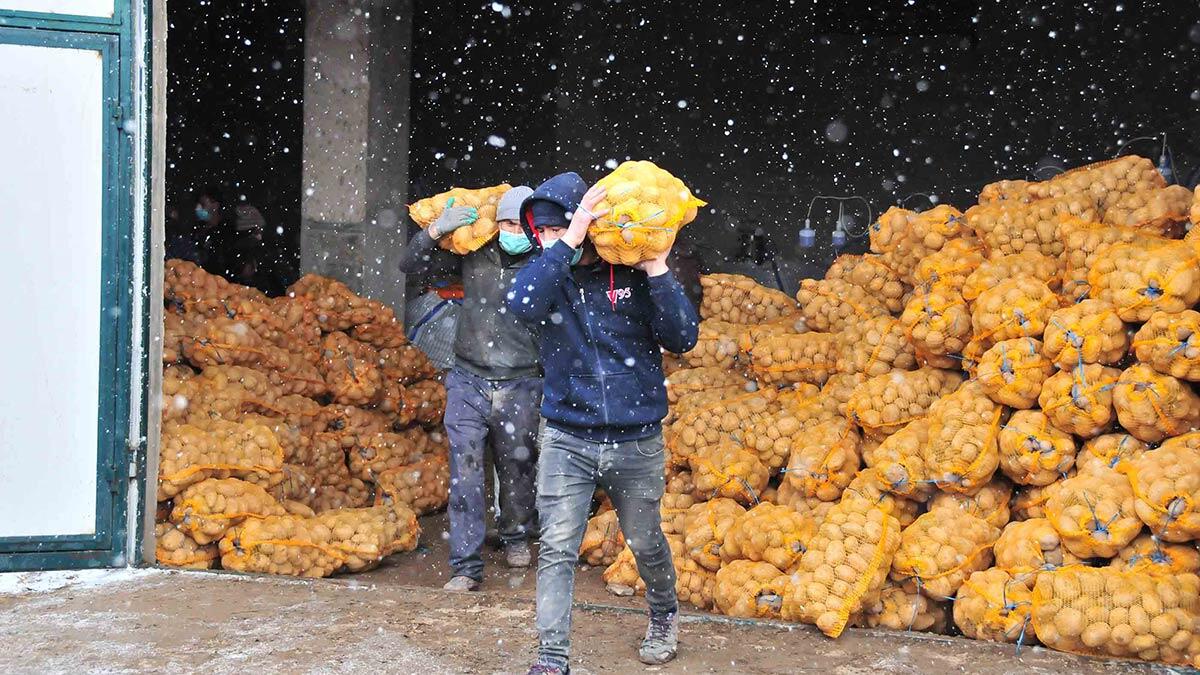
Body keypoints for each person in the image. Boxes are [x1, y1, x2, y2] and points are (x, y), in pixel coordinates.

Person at [506, 173, 700, 674]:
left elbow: (682, 337)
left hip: (636, 440)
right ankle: (552, 657)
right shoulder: (548, 277)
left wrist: (658, 269)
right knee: (556, 547)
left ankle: (663, 615)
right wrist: (563, 245)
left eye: (559, 229)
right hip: (567, 437)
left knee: (645, 541)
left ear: (594, 228)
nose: (547, 240)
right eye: (542, 233)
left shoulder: (633, 275)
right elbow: (520, 305)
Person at [399, 185, 542, 591]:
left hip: (522, 381)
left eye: (519, 223)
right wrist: (433, 232)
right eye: (506, 222)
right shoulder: (476, 252)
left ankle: (516, 534)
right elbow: (409, 265)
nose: (511, 229)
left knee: (517, 464)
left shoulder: (543, 263)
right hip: (468, 378)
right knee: (465, 472)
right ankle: (465, 565)